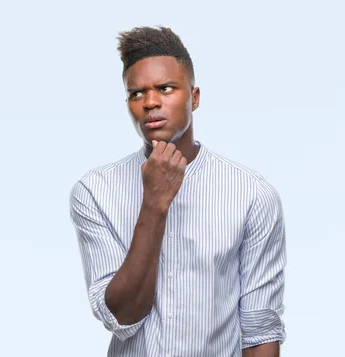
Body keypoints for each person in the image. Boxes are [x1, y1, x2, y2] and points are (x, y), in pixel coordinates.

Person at [68, 26, 286, 357]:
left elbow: (259, 332)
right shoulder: (95, 191)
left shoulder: (251, 194)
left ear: (194, 98)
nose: (150, 102)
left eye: (166, 88)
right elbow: (121, 316)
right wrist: (154, 203)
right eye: (136, 93)